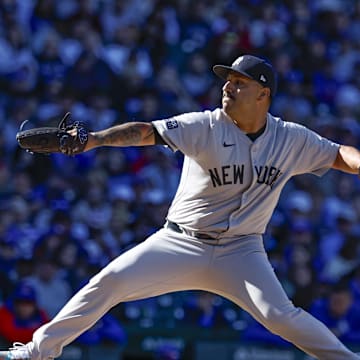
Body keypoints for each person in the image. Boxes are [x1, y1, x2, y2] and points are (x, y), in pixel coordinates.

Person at [1, 54, 360, 360]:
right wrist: (95, 140)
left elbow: (338, 154)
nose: (227, 87)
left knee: (281, 317)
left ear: (263, 94)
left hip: (242, 250)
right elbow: (146, 131)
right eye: (227, 80)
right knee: (109, 282)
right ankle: (36, 352)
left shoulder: (290, 138)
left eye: (239, 82)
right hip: (180, 242)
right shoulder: (204, 125)